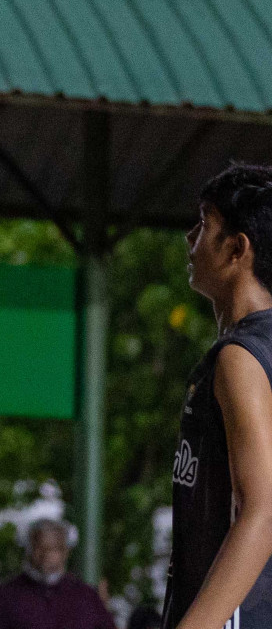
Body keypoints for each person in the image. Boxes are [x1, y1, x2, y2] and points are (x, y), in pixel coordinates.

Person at [163, 163, 272, 628]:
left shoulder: (240, 358)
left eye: (205, 223)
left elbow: (262, 511)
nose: (190, 237)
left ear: (237, 249)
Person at [0, 519, 110, 629]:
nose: (47, 555)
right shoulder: (1, 599)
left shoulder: (86, 598)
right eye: (40, 548)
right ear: (29, 549)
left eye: (55, 549)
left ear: (66, 552)